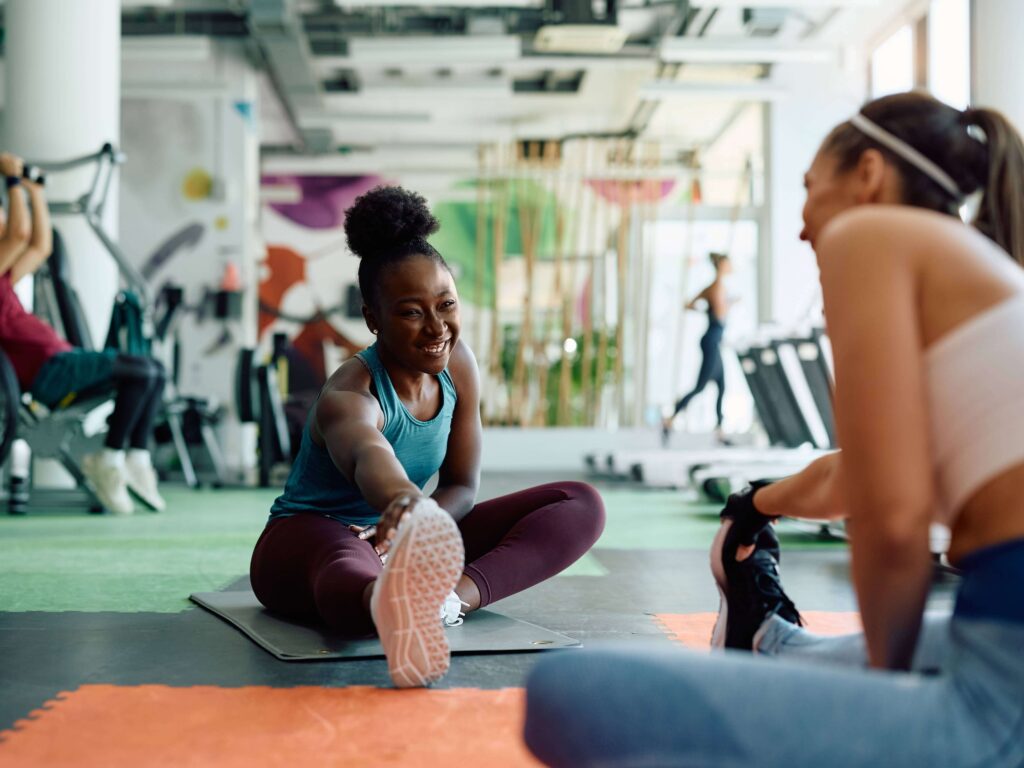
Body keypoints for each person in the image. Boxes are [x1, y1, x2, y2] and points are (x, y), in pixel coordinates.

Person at [524, 91, 1024, 767]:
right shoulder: (985, 273)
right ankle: (771, 641)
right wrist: (755, 506)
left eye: (808, 189)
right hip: (994, 634)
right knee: (822, 656)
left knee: (568, 694)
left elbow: (892, 517)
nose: (801, 227)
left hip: (1003, 690)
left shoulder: (871, 236)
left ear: (869, 174)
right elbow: (855, 476)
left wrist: (879, 702)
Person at [249, 185, 605, 688]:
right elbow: (368, 451)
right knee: (344, 563)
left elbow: (461, 484)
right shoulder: (349, 392)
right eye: (412, 312)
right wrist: (404, 506)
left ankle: (443, 603)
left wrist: (420, 523)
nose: (437, 327)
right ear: (373, 319)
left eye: (446, 304)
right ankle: (383, 602)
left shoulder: (458, 367)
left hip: (408, 535)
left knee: (580, 502)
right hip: (311, 538)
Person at [0, 151, 166, 515]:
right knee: (141, 369)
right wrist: (12, 183)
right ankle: (108, 458)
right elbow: (19, 233)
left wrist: (35, 188)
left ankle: (133, 455)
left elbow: (39, 245)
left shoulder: (5, 279)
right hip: (49, 373)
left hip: (62, 361)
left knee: (154, 370)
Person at [662, 251, 733, 445]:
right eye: (729, 264)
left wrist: (705, 309)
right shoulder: (717, 288)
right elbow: (719, 314)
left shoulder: (713, 287)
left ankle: (720, 430)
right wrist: (728, 305)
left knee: (721, 384)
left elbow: (690, 305)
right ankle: (670, 418)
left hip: (713, 340)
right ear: (721, 266)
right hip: (711, 339)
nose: (732, 267)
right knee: (701, 387)